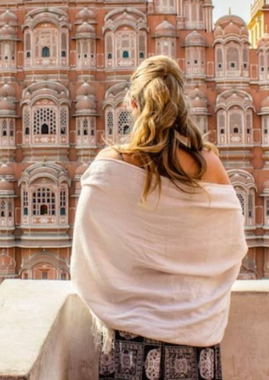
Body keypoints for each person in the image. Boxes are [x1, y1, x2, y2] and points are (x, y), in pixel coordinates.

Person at [71, 55, 248, 380]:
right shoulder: (211, 166)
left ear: (133, 104)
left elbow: (87, 250)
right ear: (181, 104)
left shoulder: (112, 166)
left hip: (129, 344)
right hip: (197, 345)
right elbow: (232, 247)